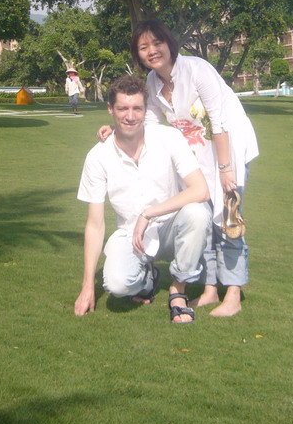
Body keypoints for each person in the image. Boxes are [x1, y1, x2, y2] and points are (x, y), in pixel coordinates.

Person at [102, 20, 259, 317]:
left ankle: (234, 294)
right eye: (144, 47)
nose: (152, 51)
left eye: (157, 43)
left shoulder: (196, 69)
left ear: (169, 44)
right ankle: (211, 288)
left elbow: (220, 120)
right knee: (205, 221)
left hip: (230, 151)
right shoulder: (152, 82)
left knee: (228, 220)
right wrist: (116, 130)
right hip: (201, 156)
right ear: (138, 54)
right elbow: (146, 123)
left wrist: (227, 170)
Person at [75, 75, 211, 324]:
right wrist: (87, 287)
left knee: (197, 212)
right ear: (110, 109)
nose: (130, 116)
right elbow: (95, 224)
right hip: (131, 235)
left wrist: (149, 213)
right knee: (117, 285)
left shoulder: (167, 138)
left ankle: (177, 291)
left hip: (171, 228)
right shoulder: (98, 157)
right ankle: (148, 278)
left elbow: (201, 190)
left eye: (137, 108)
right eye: (122, 109)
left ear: (145, 109)